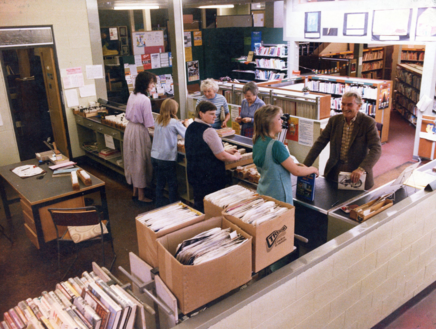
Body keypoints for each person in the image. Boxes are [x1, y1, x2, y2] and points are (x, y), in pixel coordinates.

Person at [303, 90, 381, 190]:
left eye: (349, 105)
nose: (345, 108)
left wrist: (362, 169)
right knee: (330, 200)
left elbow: (376, 149)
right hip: (334, 171)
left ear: (359, 106)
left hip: (356, 173)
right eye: (343, 104)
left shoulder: (368, 123)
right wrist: (305, 166)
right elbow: (319, 144)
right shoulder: (334, 121)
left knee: (355, 204)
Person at [253, 105, 319, 205]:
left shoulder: (257, 141)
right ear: (269, 123)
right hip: (279, 198)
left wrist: (297, 165)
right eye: (279, 118)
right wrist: (313, 169)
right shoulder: (276, 145)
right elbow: (296, 171)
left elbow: (273, 164)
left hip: (264, 193)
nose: (282, 121)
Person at [185, 101, 242, 212]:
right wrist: (236, 157)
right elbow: (222, 156)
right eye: (211, 114)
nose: (215, 116)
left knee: (200, 203)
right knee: (212, 207)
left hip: (195, 174)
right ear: (201, 114)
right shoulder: (208, 131)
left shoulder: (191, 127)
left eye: (215, 113)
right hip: (210, 178)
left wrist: (225, 150)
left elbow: (202, 148)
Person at [123, 71, 157, 203]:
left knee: (132, 160)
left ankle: (135, 192)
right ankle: (141, 197)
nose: (153, 85)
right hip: (139, 132)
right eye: (151, 83)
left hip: (130, 129)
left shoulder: (132, 95)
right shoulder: (145, 100)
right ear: (145, 84)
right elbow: (149, 123)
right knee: (140, 162)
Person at [151, 99, 187, 208]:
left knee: (160, 181)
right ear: (173, 110)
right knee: (172, 183)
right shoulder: (174, 123)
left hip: (155, 156)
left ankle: (159, 204)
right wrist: (186, 124)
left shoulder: (157, 120)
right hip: (167, 158)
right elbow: (187, 135)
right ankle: (173, 206)